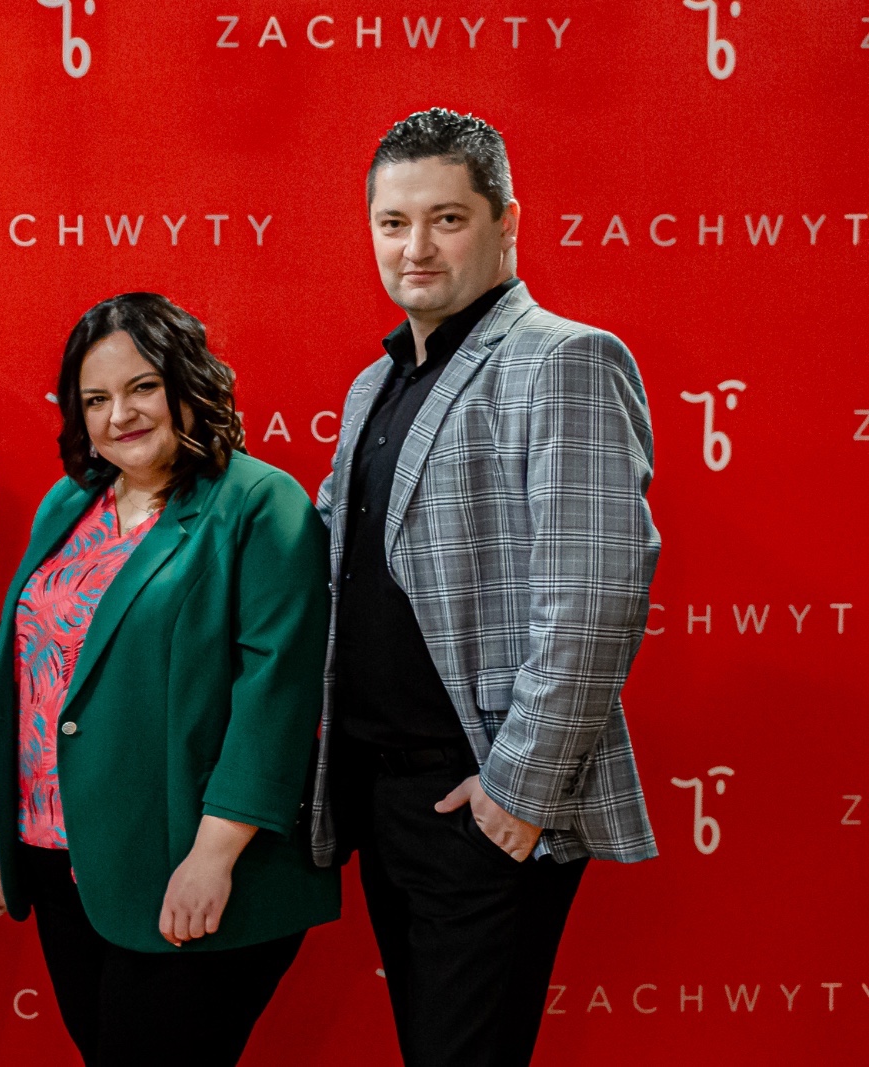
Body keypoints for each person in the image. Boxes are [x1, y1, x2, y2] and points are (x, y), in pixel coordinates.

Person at [308, 108, 661, 1067]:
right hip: (385, 800)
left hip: (484, 799)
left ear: (507, 223)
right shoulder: (376, 384)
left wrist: (517, 792)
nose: (415, 247)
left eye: (447, 219)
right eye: (393, 222)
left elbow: (595, 595)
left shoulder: (564, 357)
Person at [0, 292, 339, 1067]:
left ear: (188, 382)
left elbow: (275, 698)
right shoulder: (70, 503)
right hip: (61, 856)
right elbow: (30, 680)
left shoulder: (259, 503)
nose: (120, 415)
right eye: (95, 399)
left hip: (189, 861)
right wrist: (2, 831)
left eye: (142, 386)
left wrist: (213, 856)